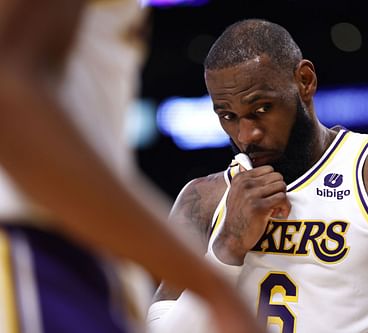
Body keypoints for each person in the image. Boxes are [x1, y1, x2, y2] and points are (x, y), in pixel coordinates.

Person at [148, 18, 368, 333]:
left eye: (261, 109)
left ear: (305, 81)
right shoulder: (204, 201)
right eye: (228, 116)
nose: (246, 135)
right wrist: (227, 247)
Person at [0, 1, 267, 333]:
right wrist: (212, 283)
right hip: (36, 252)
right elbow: (10, 95)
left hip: (84, 254)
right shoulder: (205, 194)